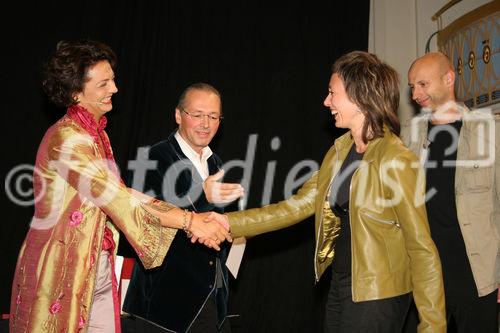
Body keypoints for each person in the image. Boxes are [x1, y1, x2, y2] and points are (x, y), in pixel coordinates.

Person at [207, 51, 446, 332]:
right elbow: (296, 206)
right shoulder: (339, 151)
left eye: (333, 93)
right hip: (342, 287)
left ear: (359, 96)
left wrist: (433, 326)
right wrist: (229, 222)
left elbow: (422, 248)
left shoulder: (396, 158)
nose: (326, 101)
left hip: (379, 295)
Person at [9, 40, 231, 333]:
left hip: (96, 266)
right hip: (63, 270)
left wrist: (192, 220)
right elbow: (118, 199)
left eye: (112, 80)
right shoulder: (68, 140)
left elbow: (124, 193)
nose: (114, 89)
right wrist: (189, 220)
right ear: (76, 92)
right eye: (103, 84)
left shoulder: (97, 136)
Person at [123, 83, 244, 332]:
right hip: (163, 307)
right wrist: (203, 196)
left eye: (213, 116)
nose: (206, 123)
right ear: (178, 115)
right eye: (197, 115)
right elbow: (143, 223)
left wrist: (235, 228)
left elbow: (212, 225)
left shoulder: (215, 162)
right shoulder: (153, 158)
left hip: (210, 300)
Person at [401, 52, 500, 332]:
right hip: (424, 271)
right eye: (411, 87)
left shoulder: (491, 133)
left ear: (448, 79)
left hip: (476, 273)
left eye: (422, 84)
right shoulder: (409, 138)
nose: (415, 93)